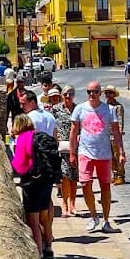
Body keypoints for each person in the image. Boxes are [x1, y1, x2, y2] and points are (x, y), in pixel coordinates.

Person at [69, 80, 125, 233]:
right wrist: (72, 152)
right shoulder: (80, 109)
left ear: (100, 93)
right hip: (85, 152)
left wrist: (121, 152)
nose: (92, 94)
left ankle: (106, 220)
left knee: (105, 186)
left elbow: (116, 133)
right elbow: (73, 132)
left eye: (94, 91)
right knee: (85, 184)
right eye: (89, 92)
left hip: (104, 154)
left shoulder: (109, 110)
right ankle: (94, 216)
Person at [10, 113, 55, 259]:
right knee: (45, 218)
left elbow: (19, 165)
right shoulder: (39, 135)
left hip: (32, 183)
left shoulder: (23, 138)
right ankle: (48, 248)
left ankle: (39, 254)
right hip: (46, 182)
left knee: (33, 221)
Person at [52, 84, 78, 215]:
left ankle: (72, 204)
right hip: (62, 148)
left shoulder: (78, 109)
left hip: (76, 148)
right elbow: (52, 126)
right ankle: (64, 204)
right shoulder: (56, 109)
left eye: (71, 93)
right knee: (64, 176)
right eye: (66, 94)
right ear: (62, 95)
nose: (68, 96)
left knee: (74, 177)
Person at [103, 85, 126, 183]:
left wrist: (119, 133)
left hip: (114, 135)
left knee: (117, 155)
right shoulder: (104, 106)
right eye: (106, 93)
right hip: (106, 134)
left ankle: (121, 175)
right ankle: (115, 174)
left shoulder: (118, 107)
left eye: (110, 93)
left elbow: (120, 121)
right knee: (110, 156)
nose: (108, 95)